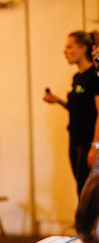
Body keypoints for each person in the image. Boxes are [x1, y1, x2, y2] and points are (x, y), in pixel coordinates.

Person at [43, 30, 99, 195]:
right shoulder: (77, 78)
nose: (65, 51)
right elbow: (78, 110)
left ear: (83, 48)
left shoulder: (94, 76)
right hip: (74, 140)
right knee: (80, 189)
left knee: (87, 192)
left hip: (87, 142)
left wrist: (95, 146)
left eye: (69, 47)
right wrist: (58, 101)